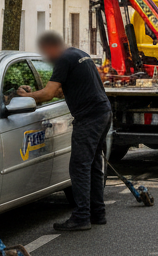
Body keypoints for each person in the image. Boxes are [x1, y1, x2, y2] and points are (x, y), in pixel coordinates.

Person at [15, 31, 112, 231]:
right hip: (103, 112)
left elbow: (50, 94)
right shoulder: (77, 54)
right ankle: (97, 213)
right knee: (93, 164)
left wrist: (26, 96)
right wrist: (34, 91)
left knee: (79, 167)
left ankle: (81, 217)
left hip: (89, 118)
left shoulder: (63, 59)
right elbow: (61, 89)